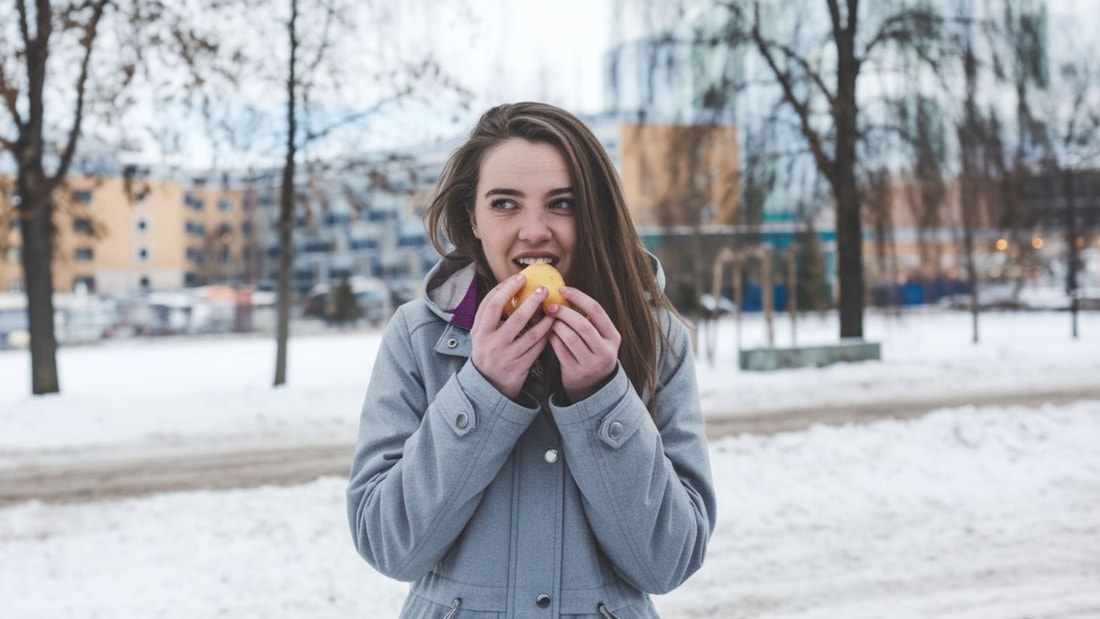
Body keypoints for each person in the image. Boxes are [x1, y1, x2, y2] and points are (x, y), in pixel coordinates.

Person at [346, 102, 716, 618]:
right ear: (472, 218)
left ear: (595, 216)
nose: (535, 230)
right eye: (504, 204)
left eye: (562, 203)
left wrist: (602, 397)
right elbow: (389, 543)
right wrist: (482, 391)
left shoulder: (656, 340)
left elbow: (668, 562)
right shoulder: (418, 336)